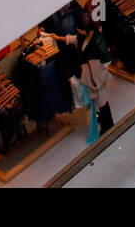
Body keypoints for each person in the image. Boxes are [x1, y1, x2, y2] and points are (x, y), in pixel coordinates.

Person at [42, 9, 114, 142]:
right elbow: (73, 39)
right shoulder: (84, 37)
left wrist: (97, 74)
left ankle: (108, 126)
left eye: (78, 30)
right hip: (90, 77)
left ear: (84, 30)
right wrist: (57, 38)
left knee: (102, 101)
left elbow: (106, 59)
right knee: (97, 101)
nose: (77, 32)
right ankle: (101, 120)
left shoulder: (96, 41)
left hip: (96, 78)